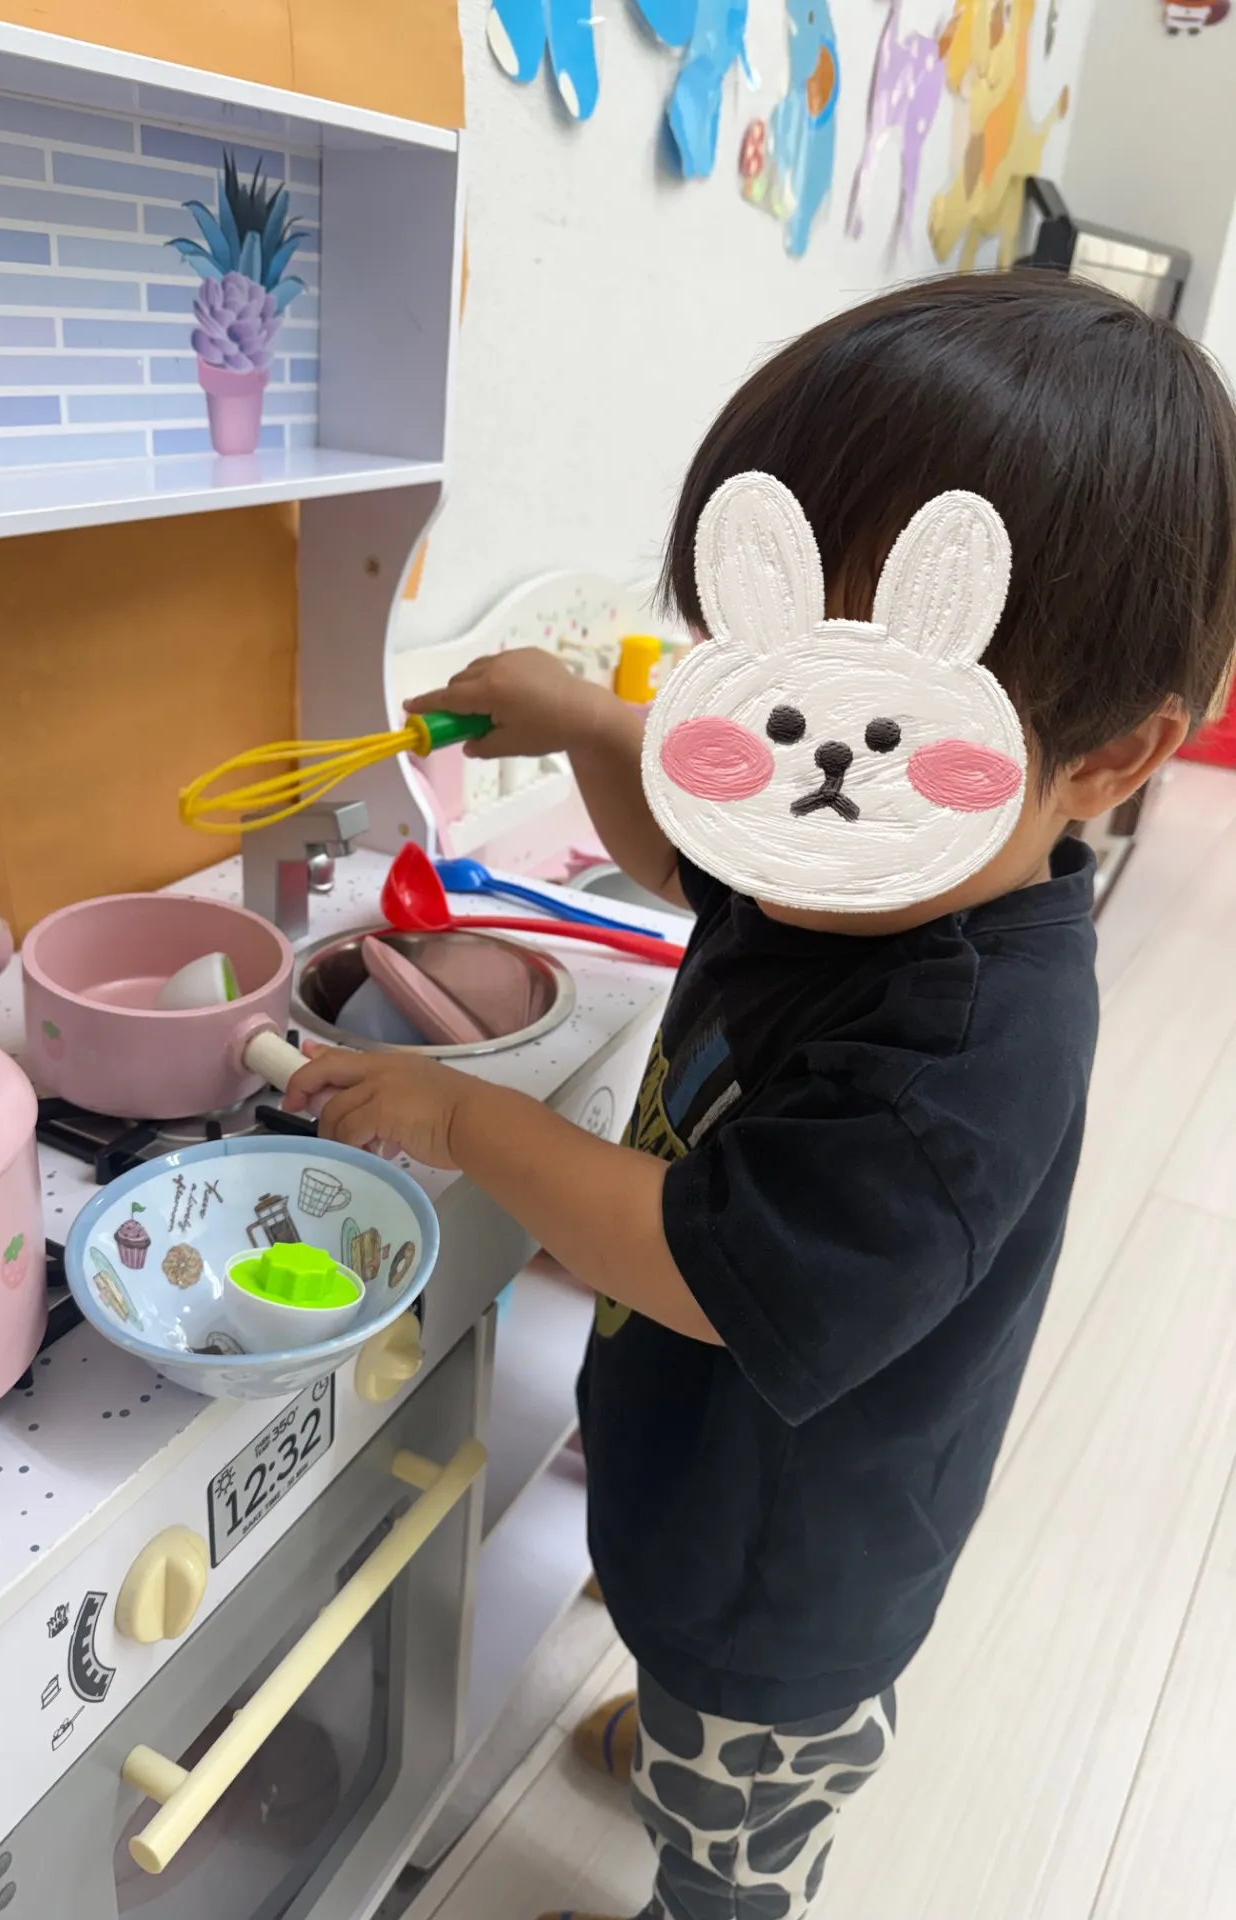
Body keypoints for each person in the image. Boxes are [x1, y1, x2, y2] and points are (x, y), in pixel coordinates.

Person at [286, 270, 1236, 1920]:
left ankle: (712, 1855)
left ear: (1107, 760)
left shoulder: (970, 1046)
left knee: (736, 1829)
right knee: (691, 1705)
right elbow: (685, 863)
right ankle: (688, 1752)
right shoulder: (852, 854)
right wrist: (592, 725)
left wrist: (463, 1120)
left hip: (789, 1584)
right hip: (701, 1486)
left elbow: (709, 1269)